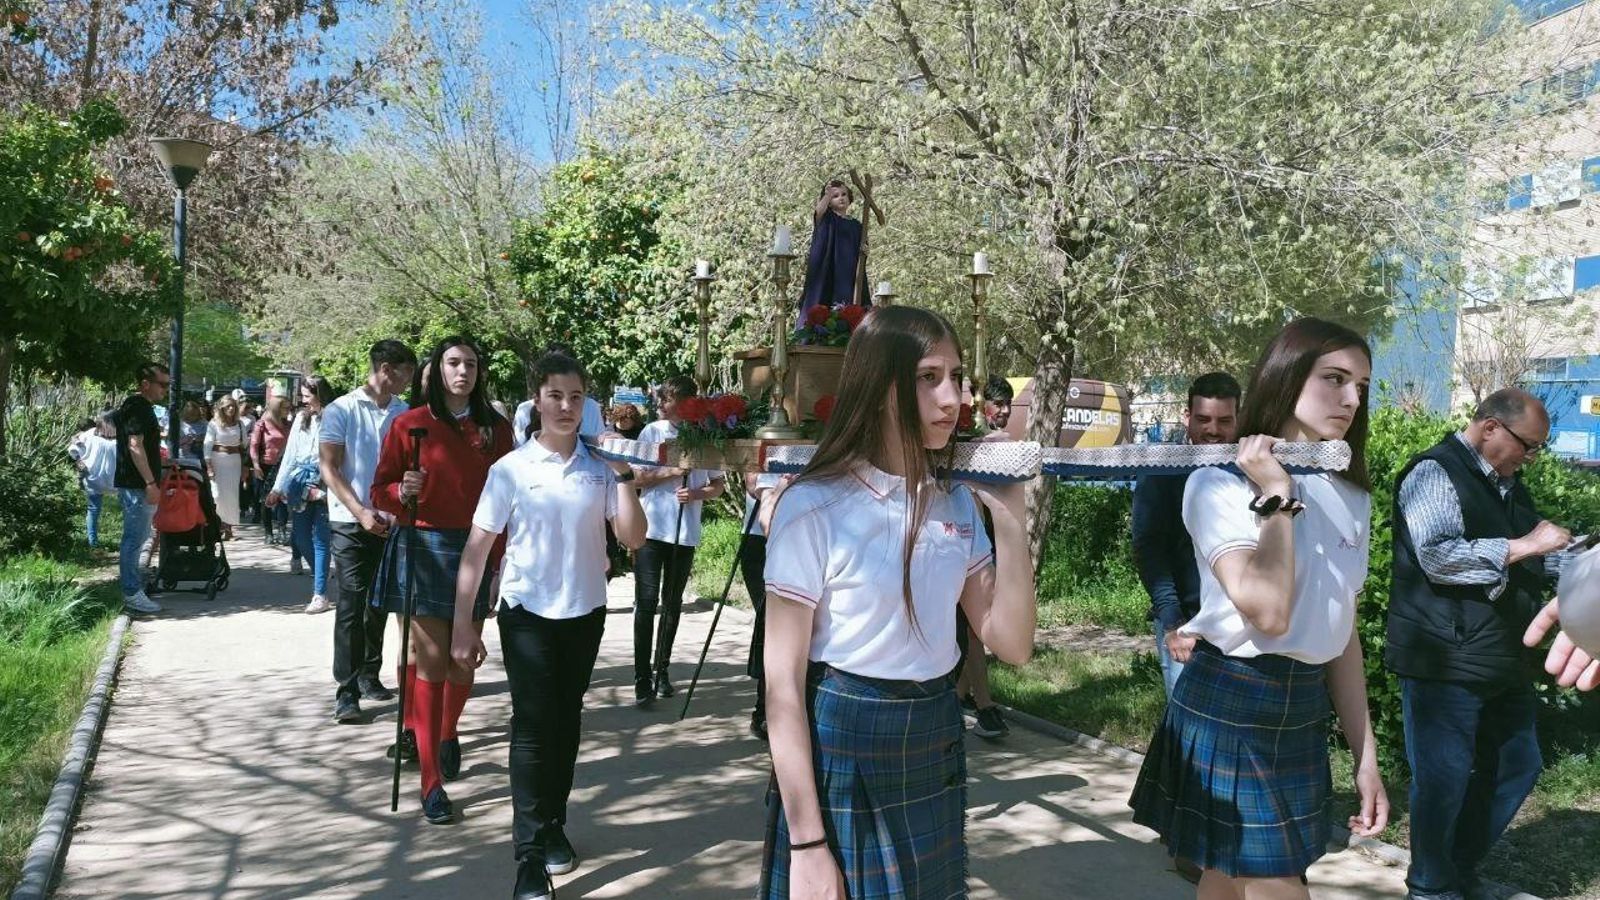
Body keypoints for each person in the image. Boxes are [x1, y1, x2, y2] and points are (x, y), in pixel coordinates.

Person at [758, 305, 1034, 898]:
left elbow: (1012, 644)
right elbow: (781, 687)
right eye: (928, 377)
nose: (951, 398)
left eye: (955, 377)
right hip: (844, 742)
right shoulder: (814, 506)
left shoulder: (956, 503)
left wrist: (1011, 520)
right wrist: (807, 846)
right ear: (882, 387)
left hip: (932, 734)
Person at [1128, 318, 1387, 897]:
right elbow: (1268, 613)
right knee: (1271, 882)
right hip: (1234, 699)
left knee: (1224, 878)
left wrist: (1364, 757)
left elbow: (1340, 632)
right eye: (1335, 379)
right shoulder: (1216, 482)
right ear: (1286, 377)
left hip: (1301, 706)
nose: (1351, 399)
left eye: (1362, 386)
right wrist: (1276, 497)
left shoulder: (1351, 492)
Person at [450, 351, 646, 899]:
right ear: (536, 399)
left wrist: (624, 475)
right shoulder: (511, 469)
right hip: (527, 614)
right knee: (534, 728)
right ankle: (530, 856)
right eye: (556, 396)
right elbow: (477, 550)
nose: (566, 407)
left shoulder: (599, 467)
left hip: (584, 612)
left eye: (576, 397)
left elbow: (633, 537)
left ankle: (554, 822)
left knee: (566, 722)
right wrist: (464, 624)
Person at [1385, 388, 1571, 900]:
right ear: (1490, 427)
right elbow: (1439, 556)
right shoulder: (1433, 472)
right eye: (1528, 446)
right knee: (1442, 780)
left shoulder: (1508, 486)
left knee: (1517, 765)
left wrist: (1577, 557)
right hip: (1442, 657)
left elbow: (1536, 557)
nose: (1531, 458)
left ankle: (1455, 870)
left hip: (1501, 656)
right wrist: (1528, 544)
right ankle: (1430, 887)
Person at [369, 337, 513, 824]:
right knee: (430, 660)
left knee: (462, 660)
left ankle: (448, 730)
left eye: (471, 363)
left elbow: (509, 504)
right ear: (438, 369)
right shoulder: (408, 424)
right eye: (453, 362)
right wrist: (400, 489)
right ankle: (431, 781)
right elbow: (379, 490)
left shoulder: (497, 429)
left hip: (477, 545)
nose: (462, 371)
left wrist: (499, 565)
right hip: (423, 543)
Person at [320, 339, 417, 723]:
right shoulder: (341, 409)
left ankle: (369, 674)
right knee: (351, 602)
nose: (408, 381)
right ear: (386, 369)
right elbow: (329, 467)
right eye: (406, 373)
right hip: (349, 520)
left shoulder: (404, 413)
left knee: (380, 602)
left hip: (392, 520)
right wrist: (360, 511)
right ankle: (346, 691)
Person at [1132, 372, 1241, 699]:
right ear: (1187, 417)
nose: (1213, 430)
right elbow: (1149, 549)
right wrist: (1172, 622)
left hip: (1242, 629)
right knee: (1186, 726)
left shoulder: (1249, 469)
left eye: (1224, 420)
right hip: (1187, 626)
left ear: (1239, 419)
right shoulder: (1162, 471)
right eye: (1203, 419)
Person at [630, 375, 727, 706]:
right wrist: (671, 471)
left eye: (667, 398)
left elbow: (717, 485)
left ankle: (662, 670)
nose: (661, 403)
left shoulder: (703, 435)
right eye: (661, 398)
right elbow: (636, 478)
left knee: (672, 605)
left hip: (684, 533)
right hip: (651, 530)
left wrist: (697, 493)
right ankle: (642, 677)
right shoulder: (652, 432)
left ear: (686, 403)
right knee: (646, 604)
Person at [956, 373, 1022, 740]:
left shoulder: (1002, 444)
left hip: (989, 543)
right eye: (1000, 404)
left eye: (1009, 404)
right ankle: (984, 707)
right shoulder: (967, 444)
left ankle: (959, 698)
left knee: (975, 629)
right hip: (967, 544)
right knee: (973, 629)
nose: (1006, 411)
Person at [269, 376, 338, 613]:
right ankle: (321, 573)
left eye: (307, 395)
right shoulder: (300, 418)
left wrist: (331, 485)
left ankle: (320, 594)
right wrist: (277, 488)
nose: (303, 400)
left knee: (321, 540)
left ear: (320, 394)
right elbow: (289, 455)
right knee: (299, 537)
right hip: (299, 484)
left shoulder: (336, 416)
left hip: (324, 481)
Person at [114, 362, 171, 615]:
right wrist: (150, 483)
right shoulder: (138, 407)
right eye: (162, 384)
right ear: (145, 384)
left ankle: (134, 586)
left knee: (138, 538)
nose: (165, 390)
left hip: (137, 484)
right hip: (137, 485)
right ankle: (131, 592)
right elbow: (135, 446)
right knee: (134, 540)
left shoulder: (140, 406)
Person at [740, 471, 783, 740]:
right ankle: (763, 712)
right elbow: (752, 483)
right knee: (770, 624)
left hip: (800, 541)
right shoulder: (765, 450)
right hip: (759, 541)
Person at [798, 178, 870, 320]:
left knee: (851, 302)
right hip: (830, 268)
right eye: (835, 196)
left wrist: (865, 250)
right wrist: (827, 195)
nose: (841, 198)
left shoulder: (856, 225)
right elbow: (818, 212)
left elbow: (863, 247)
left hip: (850, 271)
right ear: (829, 202)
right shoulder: (827, 219)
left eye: (844, 194)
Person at [69, 413, 118, 548]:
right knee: (125, 507)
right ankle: (127, 541)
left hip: (94, 478)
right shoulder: (120, 436)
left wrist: (81, 465)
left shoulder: (88, 434)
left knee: (93, 509)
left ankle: (93, 542)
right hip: (113, 479)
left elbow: (74, 451)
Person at [204, 395, 249, 540]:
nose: (231, 409)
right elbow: (207, 445)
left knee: (231, 495)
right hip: (217, 460)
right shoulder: (214, 423)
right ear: (222, 408)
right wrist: (209, 465)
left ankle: (228, 527)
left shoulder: (240, 424)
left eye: (233, 406)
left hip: (234, 462)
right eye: (228, 406)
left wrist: (245, 466)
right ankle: (218, 525)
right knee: (217, 494)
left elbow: (245, 445)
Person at [251, 396, 293, 546]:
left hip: (283, 467)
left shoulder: (288, 425)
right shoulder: (261, 424)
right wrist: (256, 465)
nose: (288, 411)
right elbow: (254, 446)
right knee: (266, 501)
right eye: (285, 408)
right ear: (276, 408)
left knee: (282, 500)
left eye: (289, 408)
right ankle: (268, 533)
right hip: (265, 467)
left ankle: (282, 530)